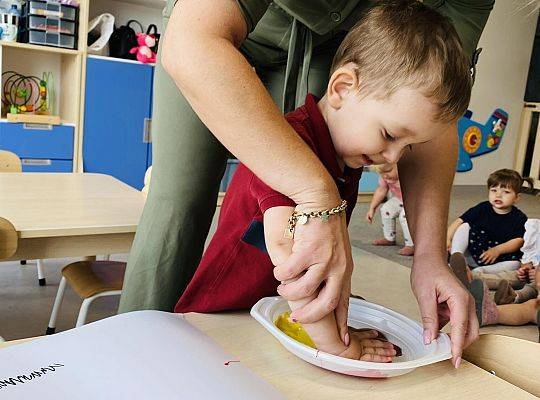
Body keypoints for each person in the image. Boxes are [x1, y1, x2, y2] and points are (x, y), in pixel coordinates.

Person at [119, 0, 495, 368]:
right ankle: (126, 353)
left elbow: (434, 107)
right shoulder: (294, 151)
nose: (394, 159)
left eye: (408, 146)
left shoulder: (347, 148)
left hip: (269, 310)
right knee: (178, 203)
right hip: (219, 317)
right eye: (389, 134)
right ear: (343, 88)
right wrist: (340, 348)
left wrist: (430, 255)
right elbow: (300, 275)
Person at [447, 169, 530, 287]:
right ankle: (456, 258)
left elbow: (519, 241)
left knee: (516, 264)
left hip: (497, 259)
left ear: (517, 197)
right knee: (465, 226)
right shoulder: (482, 208)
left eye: (506, 192)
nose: (498, 195)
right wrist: (447, 238)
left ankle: (479, 272)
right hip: (473, 251)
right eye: (494, 190)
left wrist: (497, 250)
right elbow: (459, 221)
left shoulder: (519, 217)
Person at [366, 163, 414, 256]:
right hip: (400, 199)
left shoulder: (408, 175)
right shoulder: (385, 177)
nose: (385, 175)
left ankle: (411, 244)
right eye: (381, 173)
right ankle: (389, 238)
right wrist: (372, 208)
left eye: (388, 171)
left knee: (404, 216)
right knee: (386, 209)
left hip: (414, 201)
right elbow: (381, 190)